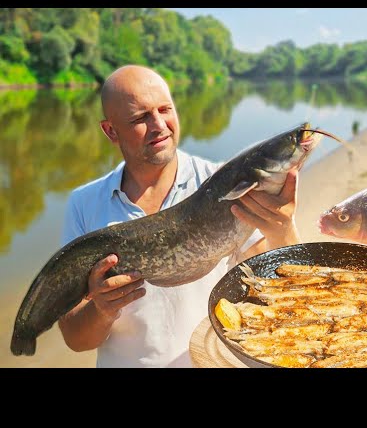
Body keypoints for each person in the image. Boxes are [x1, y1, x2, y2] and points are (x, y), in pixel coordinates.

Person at [57, 65, 301, 368]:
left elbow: (282, 291)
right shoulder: (84, 203)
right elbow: (75, 340)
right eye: (140, 118)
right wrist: (101, 310)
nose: (159, 125)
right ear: (110, 131)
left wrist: (283, 228)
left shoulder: (226, 183)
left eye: (165, 109)